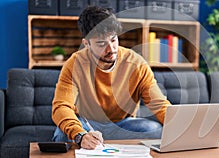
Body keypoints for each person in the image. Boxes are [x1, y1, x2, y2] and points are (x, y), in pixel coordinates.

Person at [51, 6, 171, 150]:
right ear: (86, 44)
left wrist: (179, 127)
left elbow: (159, 104)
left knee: (156, 130)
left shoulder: (136, 63)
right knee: (62, 136)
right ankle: (90, 140)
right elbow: (61, 106)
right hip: (87, 125)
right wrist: (80, 135)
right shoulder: (75, 64)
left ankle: (101, 143)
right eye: (101, 43)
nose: (111, 49)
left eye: (113, 40)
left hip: (122, 124)